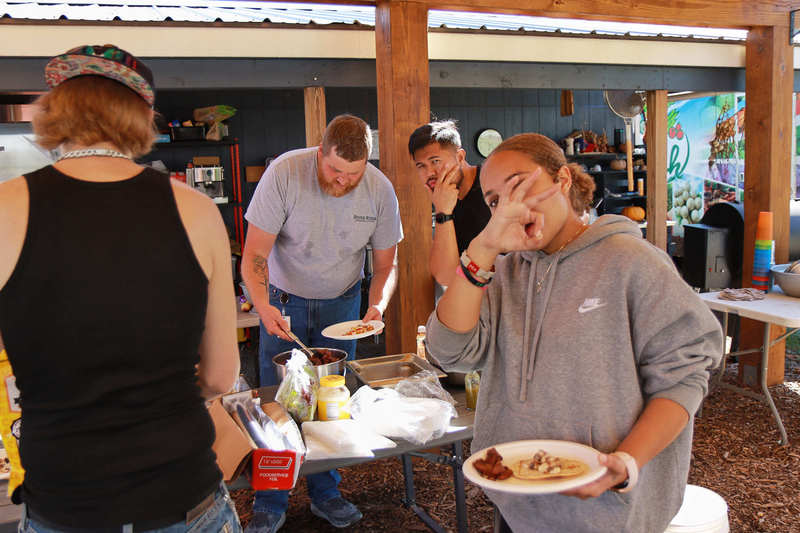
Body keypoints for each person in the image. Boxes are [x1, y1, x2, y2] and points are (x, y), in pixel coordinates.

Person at [424, 133, 723, 532]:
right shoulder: (506, 273)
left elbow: (684, 375)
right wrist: (483, 246)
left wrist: (628, 460)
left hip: (607, 507)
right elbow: (447, 350)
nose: (511, 206)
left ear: (562, 179)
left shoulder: (630, 261)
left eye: (519, 185)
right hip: (519, 495)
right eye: (495, 201)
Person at [0, 45, 242, 532]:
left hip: (65, 500)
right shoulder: (196, 210)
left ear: (53, 109)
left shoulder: (6, 207)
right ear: (144, 116)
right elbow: (220, 376)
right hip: (182, 493)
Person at [241, 114, 403, 532]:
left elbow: (387, 264)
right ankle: (270, 499)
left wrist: (378, 306)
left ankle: (326, 493)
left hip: (341, 307)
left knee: (332, 402)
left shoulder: (380, 189)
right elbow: (256, 253)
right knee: (278, 403)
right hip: (283, 302)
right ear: (320, 152)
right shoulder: (284, 173)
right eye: (335, 170)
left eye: (354, 173)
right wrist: (261, 305)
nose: (344, 180)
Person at [408, 120, 491, 286]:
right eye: (421, 166)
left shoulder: (491, 186)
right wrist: (442, 212)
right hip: (477, 302)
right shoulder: (445, 200)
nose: (429, 172)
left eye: (435, 161)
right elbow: (445, 277)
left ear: (460, 157)